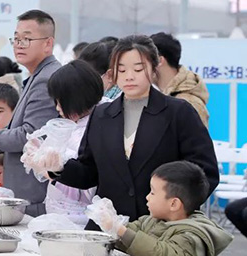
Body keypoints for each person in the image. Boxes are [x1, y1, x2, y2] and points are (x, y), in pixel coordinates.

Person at [48, 35, 220, 225]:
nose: (129, 76)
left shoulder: (179, 112)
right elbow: (89, 172)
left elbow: (205, 172)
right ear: (113, 73)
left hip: (159, 231)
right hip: (108, 228)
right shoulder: (101, 115)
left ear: (155, 68)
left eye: (138, 69)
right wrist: (59, 167)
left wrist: (175, 211)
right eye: (122, 70)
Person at [0, 10, 62, 216]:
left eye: (27, 39)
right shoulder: (37, 75)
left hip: (35, 195)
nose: (19, 44)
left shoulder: (46, 79)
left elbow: (30, 135)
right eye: (17, 38)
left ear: (48, 43)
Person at [101, 161, 232, 256]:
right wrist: (112, 226)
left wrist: (120, 230)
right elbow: (129, 240)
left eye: (152, 192)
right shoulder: (150, 221)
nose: (147, 197)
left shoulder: (191, 236)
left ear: (174, 204)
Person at [41, 60, 104, 225]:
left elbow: (88, 181)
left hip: (81, 218)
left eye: (60, 101)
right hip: (60, 212)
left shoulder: (99, 126)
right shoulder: (70, 124)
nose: (57, 108)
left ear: (76, 99)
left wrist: (55, 167)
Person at [151, 32, 209, 127]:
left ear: (159, 61)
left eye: (144, 61)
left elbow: (195, 141)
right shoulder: (162, 98)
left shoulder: (189, 104)